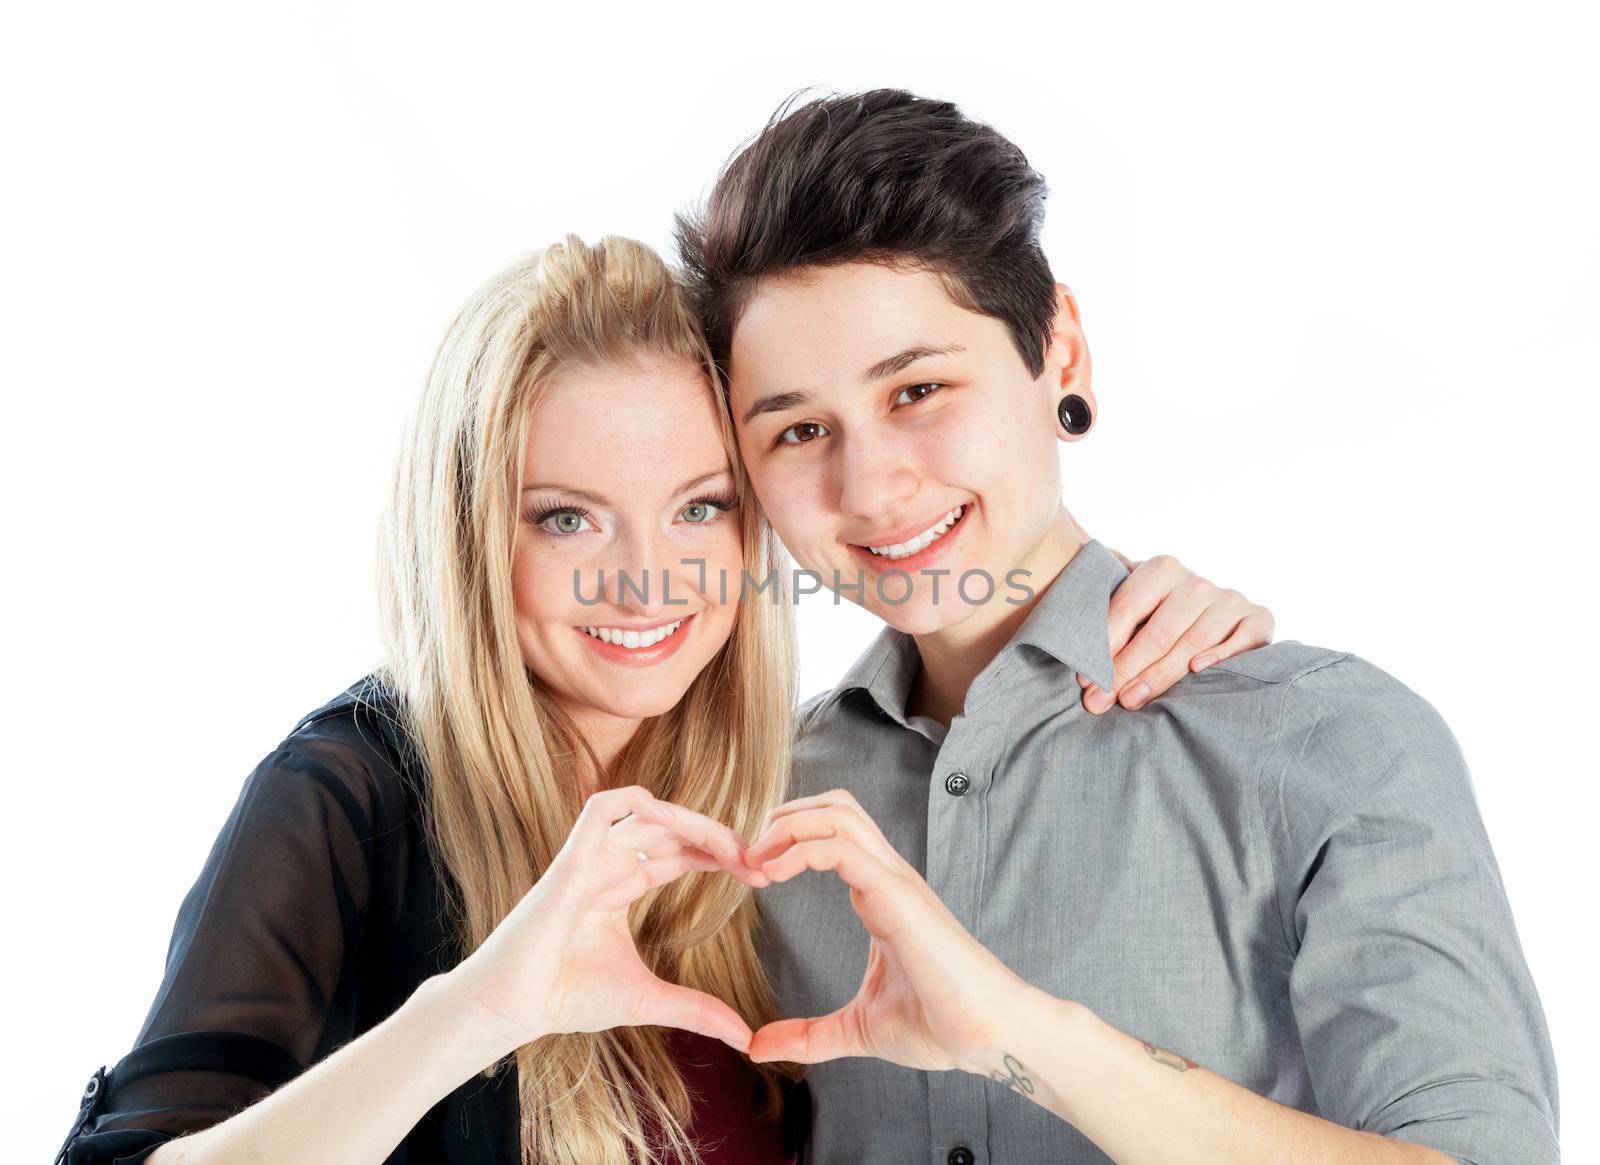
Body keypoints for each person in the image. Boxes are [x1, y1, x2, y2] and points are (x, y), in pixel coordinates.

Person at [55, 236, 1272, 1165]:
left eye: (697, 507)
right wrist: (480, 1008)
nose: (647, 575)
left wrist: (1109, 607)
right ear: (471, 534)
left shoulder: (773, 789)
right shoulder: (352, 797)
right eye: (566, 517)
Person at [673, 89, 1562, 1164]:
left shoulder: (1328, 742)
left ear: (1061, 355)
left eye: (917, 389)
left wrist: (1021, 1035)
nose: (870, 486)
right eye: (800, 428)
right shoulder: (752, 811)